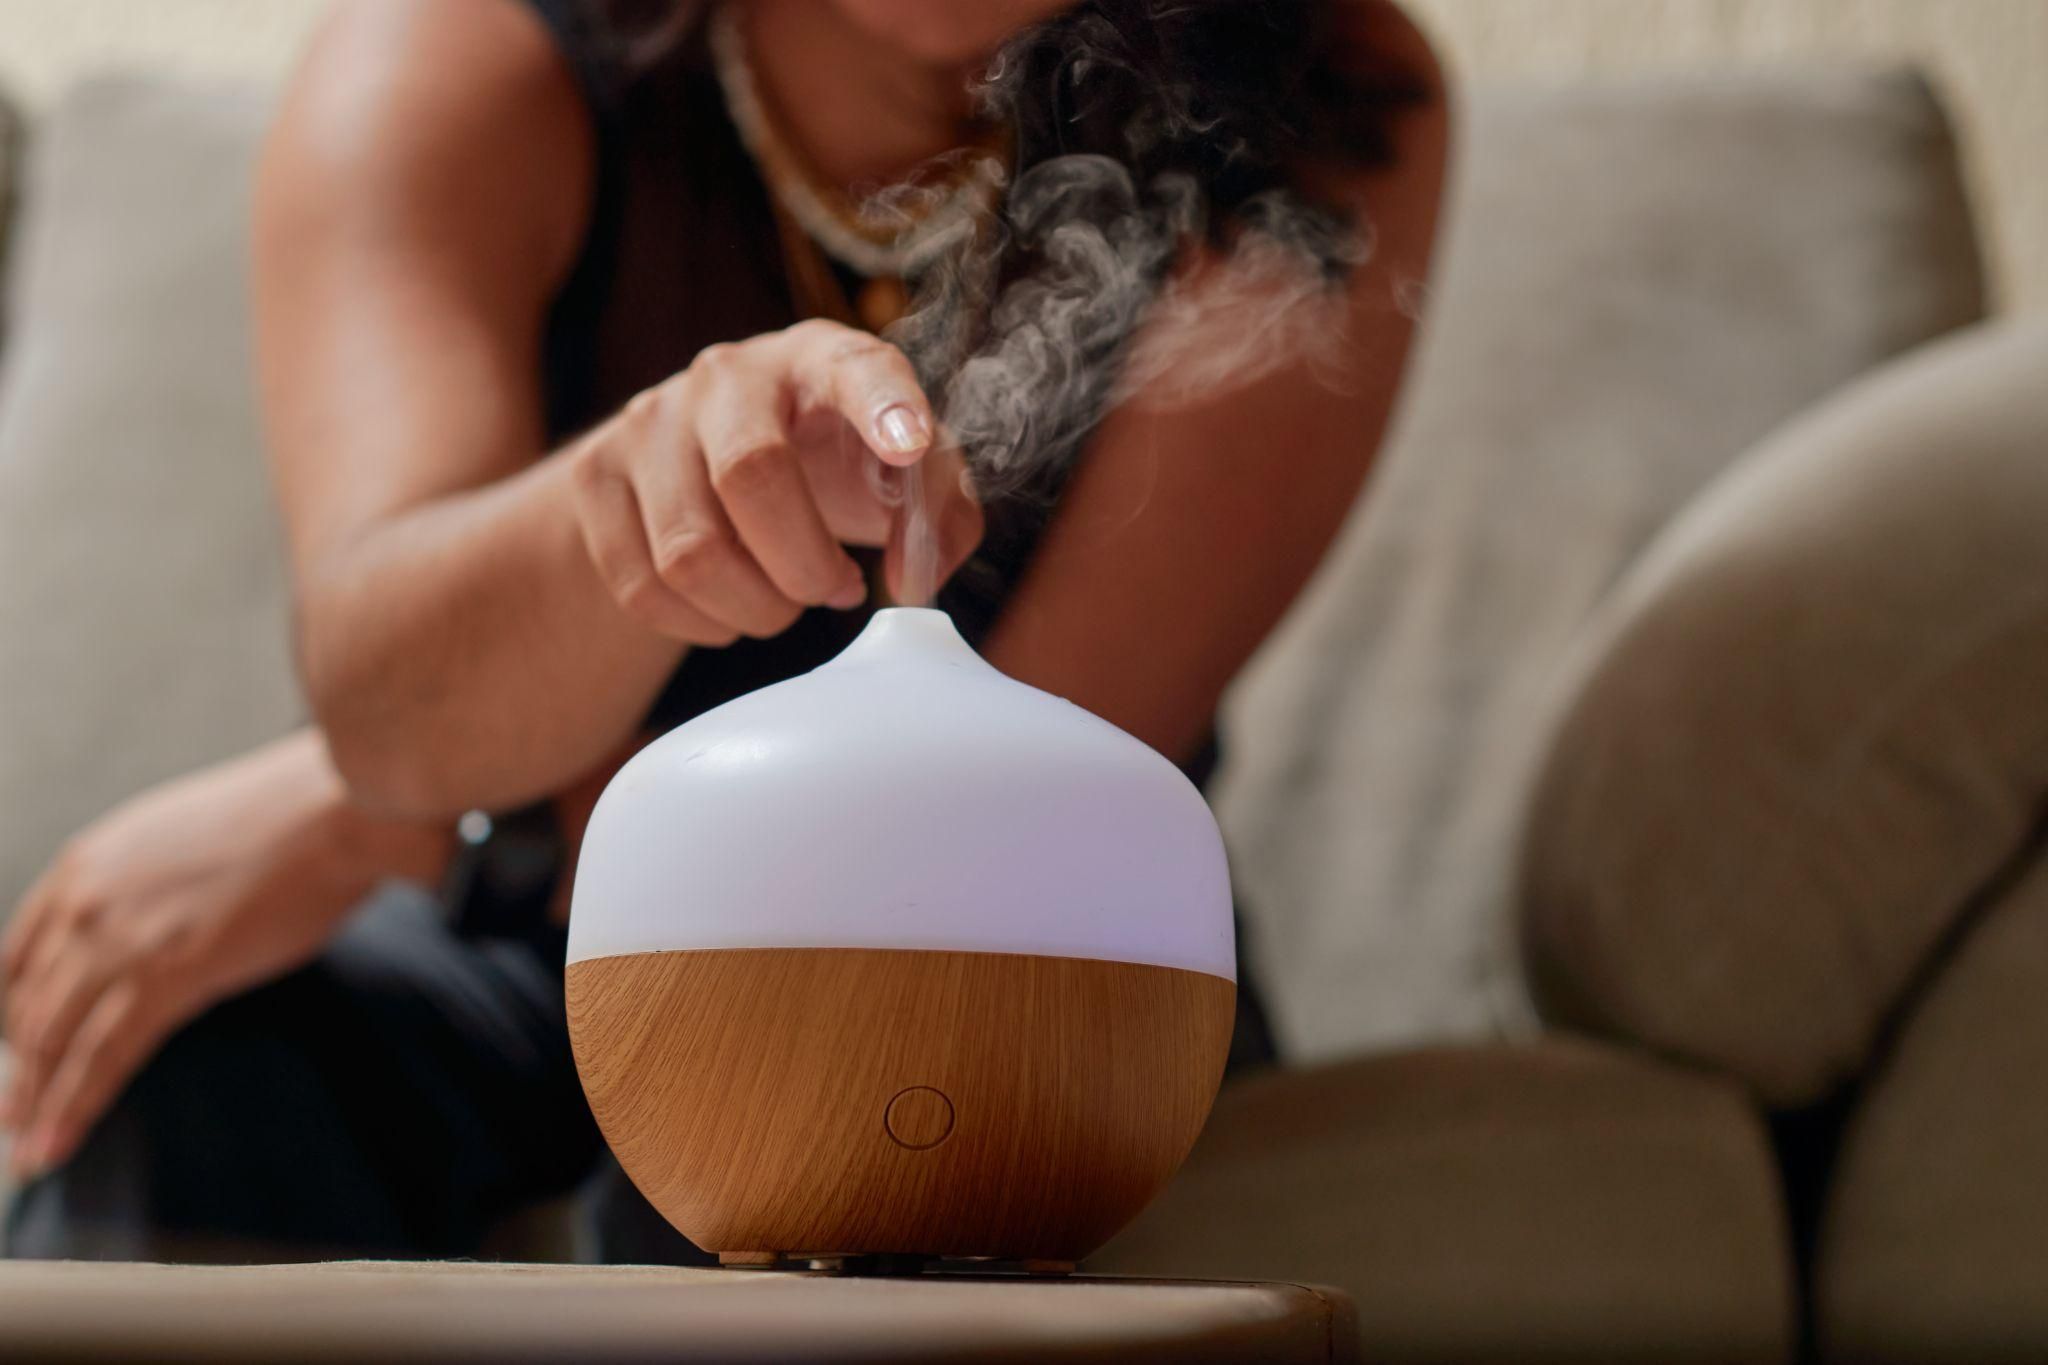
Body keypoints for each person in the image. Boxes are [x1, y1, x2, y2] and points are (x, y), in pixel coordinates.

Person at [2, 0, 1445, 1261]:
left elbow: (968, 852)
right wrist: (621, 512)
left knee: (834, 1148)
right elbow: (386, 687)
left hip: (1039, 971)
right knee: (209, 1075)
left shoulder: (1314, 90)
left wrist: (379, 821)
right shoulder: (468, 59)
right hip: (549, 943)